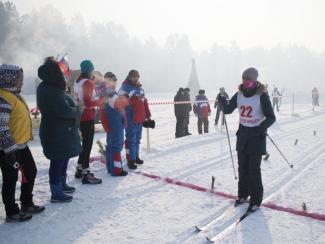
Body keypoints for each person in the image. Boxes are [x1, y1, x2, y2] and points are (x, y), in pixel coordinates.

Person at [218, 67, 276, 213]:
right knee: (242, 168)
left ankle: (256, 200)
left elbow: (271, 117)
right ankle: (243, 195)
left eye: (248, 79)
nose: (245, 82)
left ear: (255, 80)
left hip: (256, 136)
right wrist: (222, 102)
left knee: (253, 170)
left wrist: (262, 127)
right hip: (243, 135)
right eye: (243, 78)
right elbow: (228, 110)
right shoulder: (239, 94)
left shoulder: (261, 95)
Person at [0, 64, 45, 222]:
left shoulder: (15, 94)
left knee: (30, 171)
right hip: (8, 149)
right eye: (19, 79)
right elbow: (1, 127)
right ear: (9, 79)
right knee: (10, 179)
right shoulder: (3, 98)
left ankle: (26, 203)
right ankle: (12, 212)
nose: (21, 82)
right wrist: (10, 151)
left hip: (21, 145)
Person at [37, 57, 82, 202]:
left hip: (61, 132)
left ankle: (61, 184)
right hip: (57, 132)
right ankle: (56, 192)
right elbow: (64, 111)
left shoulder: (50, 87)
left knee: (63, 159)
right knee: (57, 161)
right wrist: (77, 110)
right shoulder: (51, 90)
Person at [74, 60, 104, 184]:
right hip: (87, 116)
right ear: (90, 70)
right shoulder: (87, 82)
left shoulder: (78, 81)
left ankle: (80, 169)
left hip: (80, 116)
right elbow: (87, 102)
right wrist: (100, 101)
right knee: (87, 145)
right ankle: (86, 173)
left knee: (84, 145)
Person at [119, 70, 151, 169]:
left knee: (137, 139)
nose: (136, 79)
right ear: (129, 77)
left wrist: (148, 115)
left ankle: (136, 156)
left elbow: (144, 102)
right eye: (134, 77)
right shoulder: (124, 88)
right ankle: (130, 160)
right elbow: (122, 102)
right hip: (130, 118)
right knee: (130, 140)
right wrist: (134, 98)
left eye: (137, 77)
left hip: (140, 118)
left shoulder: (141, 89)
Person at [100, 72, 128, 176]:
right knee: (116, 146)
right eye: (114, 81)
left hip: (110, 123)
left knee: (111, 146)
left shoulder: (105, 92)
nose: (116, 83)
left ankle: (110, 168)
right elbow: (119, 107)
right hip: (115, 124)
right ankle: (117, 170)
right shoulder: (111, 93)